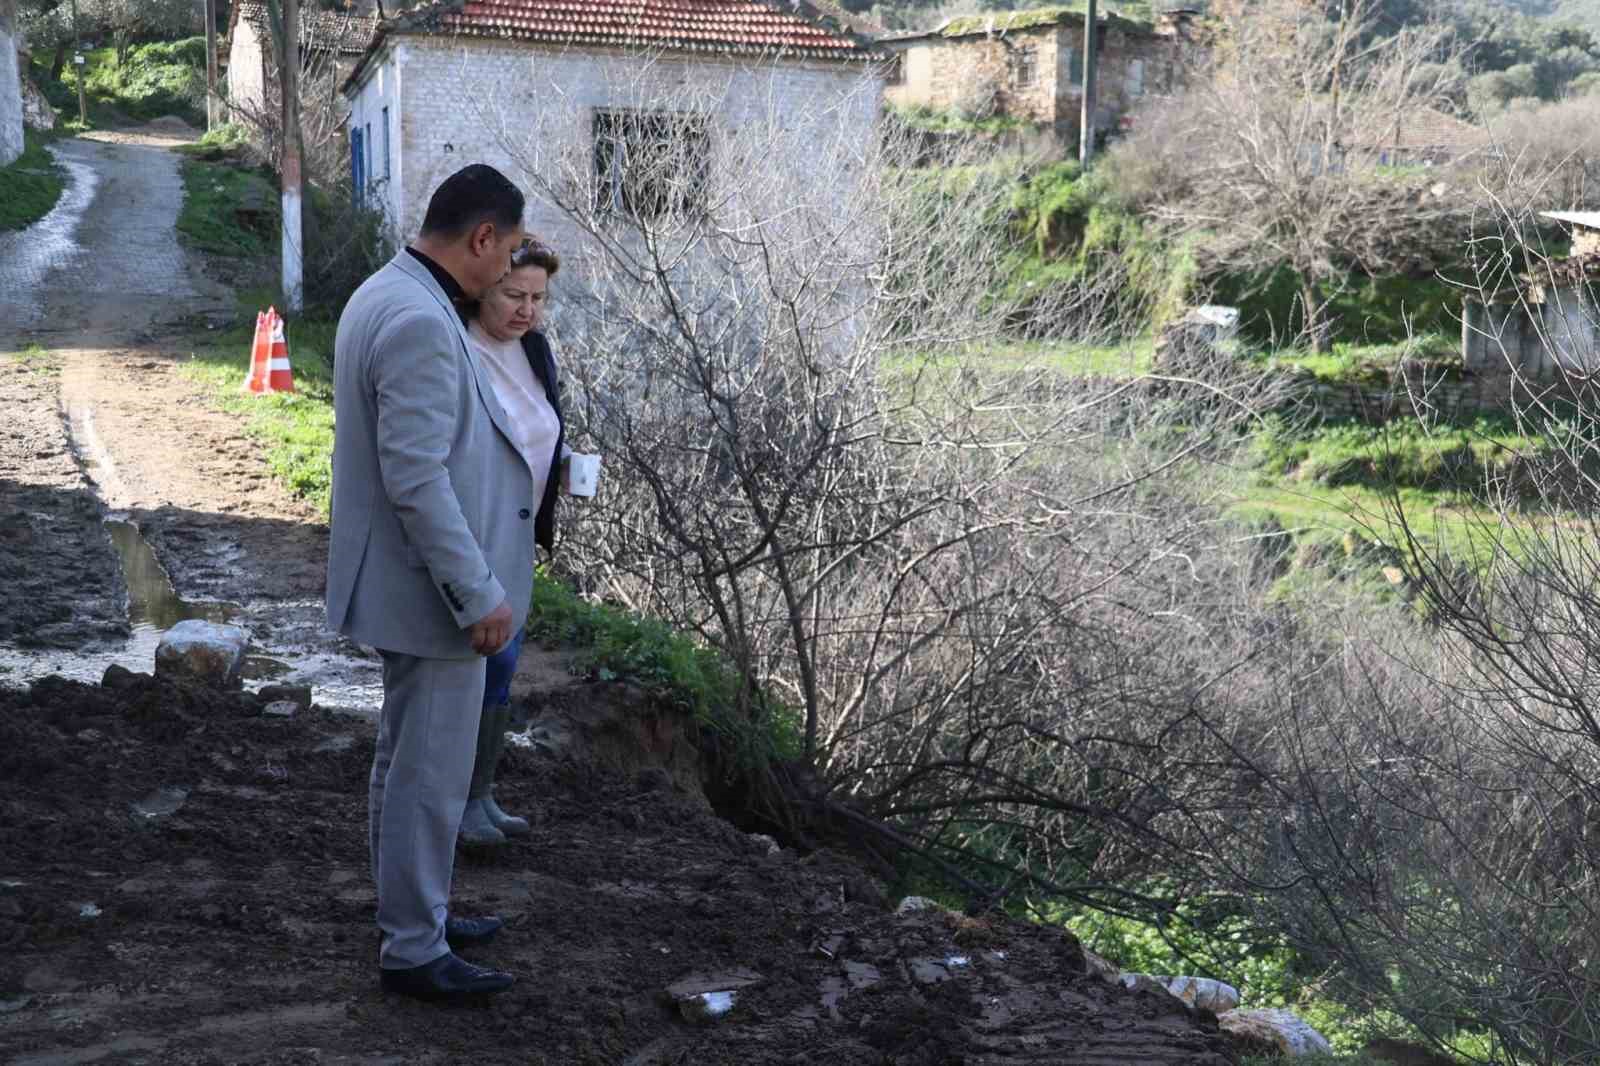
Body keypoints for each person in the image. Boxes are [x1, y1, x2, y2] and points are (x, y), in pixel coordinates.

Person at [326, 164, 531, 1002]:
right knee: (428, 772)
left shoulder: (389, 290)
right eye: (509, 251)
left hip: (407, 584)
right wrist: (477, 592)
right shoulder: (416, 316)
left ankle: (416, 911)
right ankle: (413, 945)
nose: (509, 272)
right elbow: (416, 479)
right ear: (482, 238)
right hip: (430, 593)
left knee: (404, 762)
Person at [455, 238, 566, 846]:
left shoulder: (535, 351)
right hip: (476, 532)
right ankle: (457, 803)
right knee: (472, 668)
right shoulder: (459, 348)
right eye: (515, 295)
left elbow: (535, 427)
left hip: (520, 535)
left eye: (539, 298)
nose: (527, 310)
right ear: (484, 289)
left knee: (503, 668)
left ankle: (480, 793)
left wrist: (565, 463)